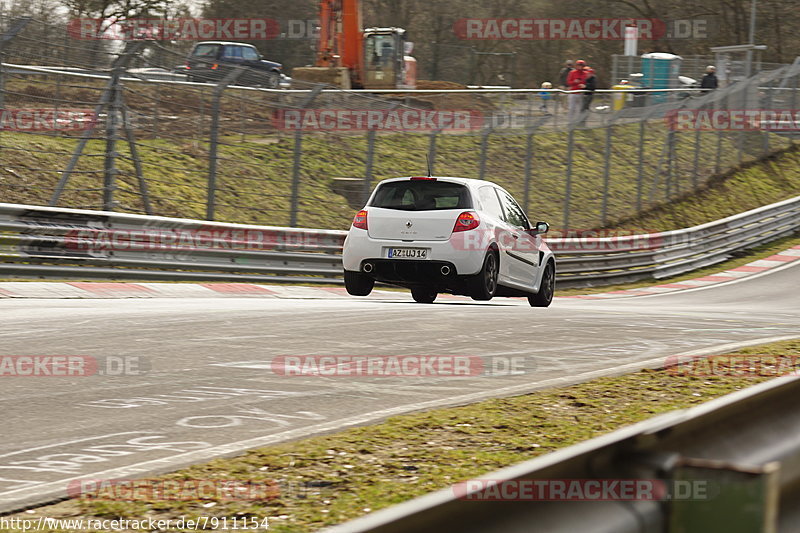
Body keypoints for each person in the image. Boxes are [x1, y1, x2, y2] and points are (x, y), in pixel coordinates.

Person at [566, 59, 588, 124]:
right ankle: (570, 122)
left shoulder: (586, 73)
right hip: (573, 92)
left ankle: (578, 122)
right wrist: (574, 82)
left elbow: (587, 83)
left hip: (581, 93)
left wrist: (584, 85)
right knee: (571, 108)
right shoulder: (572, 72)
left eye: (581, 65)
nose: (580, 67)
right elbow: (568, 82)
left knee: (580, 109)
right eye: (578, 65)